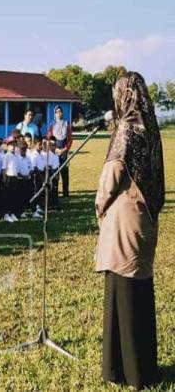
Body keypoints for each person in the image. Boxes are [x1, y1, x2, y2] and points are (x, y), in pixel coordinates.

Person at [95, 72, 164, 389]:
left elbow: (114, 171)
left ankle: (126, 371)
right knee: (136, 291)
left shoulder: (127, 127)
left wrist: (99, 203)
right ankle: (139, 366)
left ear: (124, 96)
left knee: (122, 291)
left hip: (124, 218)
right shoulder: (150, 128)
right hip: (145, 219)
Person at [47, 105, 73, 197]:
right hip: (55, 151)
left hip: (64, 151)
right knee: (55, 172)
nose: (59, 113)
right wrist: (55, 149)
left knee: (65, 173)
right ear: (54, 114)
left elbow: (70, 139)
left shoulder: (67, 123)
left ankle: (66, 193)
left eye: (60, 111)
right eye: (57, 112)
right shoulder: (51, 124)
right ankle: (55, 193)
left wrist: (65, 149)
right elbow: (49, 139)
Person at [1, 137, 19, 223]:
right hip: (8, 177)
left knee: (14, 196)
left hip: (14, 177)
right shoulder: (6, 156)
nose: (13, 147)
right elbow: (4, 169)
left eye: (14, 145)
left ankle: (12, 213)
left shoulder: (15, 155)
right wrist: (5, 179)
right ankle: (6, 214)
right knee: (7, 197)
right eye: (11, 145)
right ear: (7, 146)